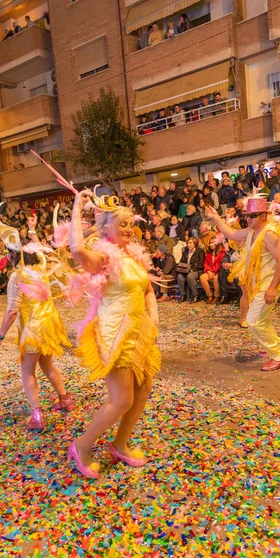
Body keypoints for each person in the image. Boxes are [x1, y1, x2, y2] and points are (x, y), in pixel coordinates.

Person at [68, 190, 161, 479]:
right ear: (106, 227)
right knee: (121, 400)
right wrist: (76, 208)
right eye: (121, 224)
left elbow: (147, 290)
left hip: (140, 333)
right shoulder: (103, 257)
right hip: (115, 333)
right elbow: (77, 251)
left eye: (129, 223)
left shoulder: (132, 256)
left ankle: (119, 443)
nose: (128, 228)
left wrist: (154, 323)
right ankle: (81, 446)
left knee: (143, 391)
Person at [0, 213, 73, 430]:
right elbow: (37, 249)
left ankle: (37, 416)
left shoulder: (18, 276)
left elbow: (12, 312)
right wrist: (32, 228)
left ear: (13, 256)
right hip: (49, 325)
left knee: (27, 370)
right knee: (47, 363)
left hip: (34, 329)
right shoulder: (40, 268)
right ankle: (65, 399)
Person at [206, 198, 280, 371]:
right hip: (258, 284)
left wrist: (272, 288)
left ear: (264, 215)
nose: (249, 219)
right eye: (247, 216)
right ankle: (278, 347)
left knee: (253, 321)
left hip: (269, 284)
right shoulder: (252, 231)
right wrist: (215, 217)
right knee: (260, 319)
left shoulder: (270, 233)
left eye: (253, 216)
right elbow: (230, 234)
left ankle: (278, 355)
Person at [176, 237, 204, 303]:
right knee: (179, 277)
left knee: (190, 276)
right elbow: (182, 261)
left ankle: (195, 295)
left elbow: (201, 264)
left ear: (195, 244)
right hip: (185, 270)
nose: (188, 244)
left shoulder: (199, 251)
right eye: (188, 243)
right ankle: (183, 295)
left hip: (196, 270)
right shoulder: (185, 251)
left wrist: (191, 268)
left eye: (190, 243)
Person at [200, 237, 225, 303]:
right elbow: (206, 263)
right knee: (202, 277)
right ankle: (209, 295)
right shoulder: (208, 254)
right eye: (210, 243)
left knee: (216, 278)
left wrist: (214, 272)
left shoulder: (222, 253)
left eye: (212, 243)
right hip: (210, 271)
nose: (211, 244)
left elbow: (220, 264)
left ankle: (216, 296)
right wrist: (209, 271)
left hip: (218, 271)